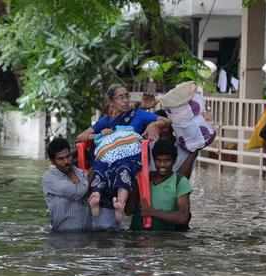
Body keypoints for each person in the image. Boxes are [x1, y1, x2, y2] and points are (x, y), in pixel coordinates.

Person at [76, 84, 171, 226]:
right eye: (121, 97)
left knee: (123, 168)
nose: (126, 100)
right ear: (111, 101)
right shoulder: (106, 121)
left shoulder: (138, 114)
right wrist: (98, 134)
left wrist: (154, 125)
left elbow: (167, 121)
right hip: (108, 159)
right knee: (99, 167)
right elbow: (80, 137)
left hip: (129, 158)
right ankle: (96, 198)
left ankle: (120, 204)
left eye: (127, 96)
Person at [130, 139, 192, 231]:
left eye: (167, 161)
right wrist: (135, 185)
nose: (162, 165)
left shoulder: (179, 182)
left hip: (164, 239)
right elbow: (128, 210)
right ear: (153, 160)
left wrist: (152, 212)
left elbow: (183, 217)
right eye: (158, 160)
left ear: (174, 161)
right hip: (137, 238)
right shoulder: (144, 179)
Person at [42, 138, 92, 232]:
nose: (66, 161)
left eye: (68, 156)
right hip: (62, 236)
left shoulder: (78, 171)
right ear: (53, 161)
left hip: (85, 235)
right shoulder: (49, 178)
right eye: (61, 159)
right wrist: (72, 174)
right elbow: (79, 192)